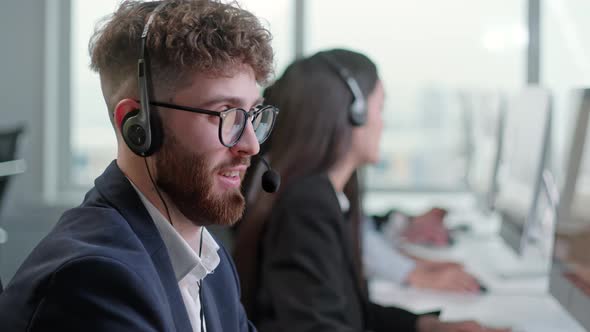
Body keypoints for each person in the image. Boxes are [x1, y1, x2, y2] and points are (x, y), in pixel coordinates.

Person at [0, 1, 278, 331]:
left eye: (253, 115)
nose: (251, 144)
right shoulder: (94, 282)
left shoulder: (208, 261)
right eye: (224, 114)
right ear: (138, 126)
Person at [234, 49, 509, 332]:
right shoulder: (307, 205)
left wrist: (427, 326)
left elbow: (351, 314)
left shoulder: (326, 197)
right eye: (380, 109)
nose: (382, 123)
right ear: (355, 114)